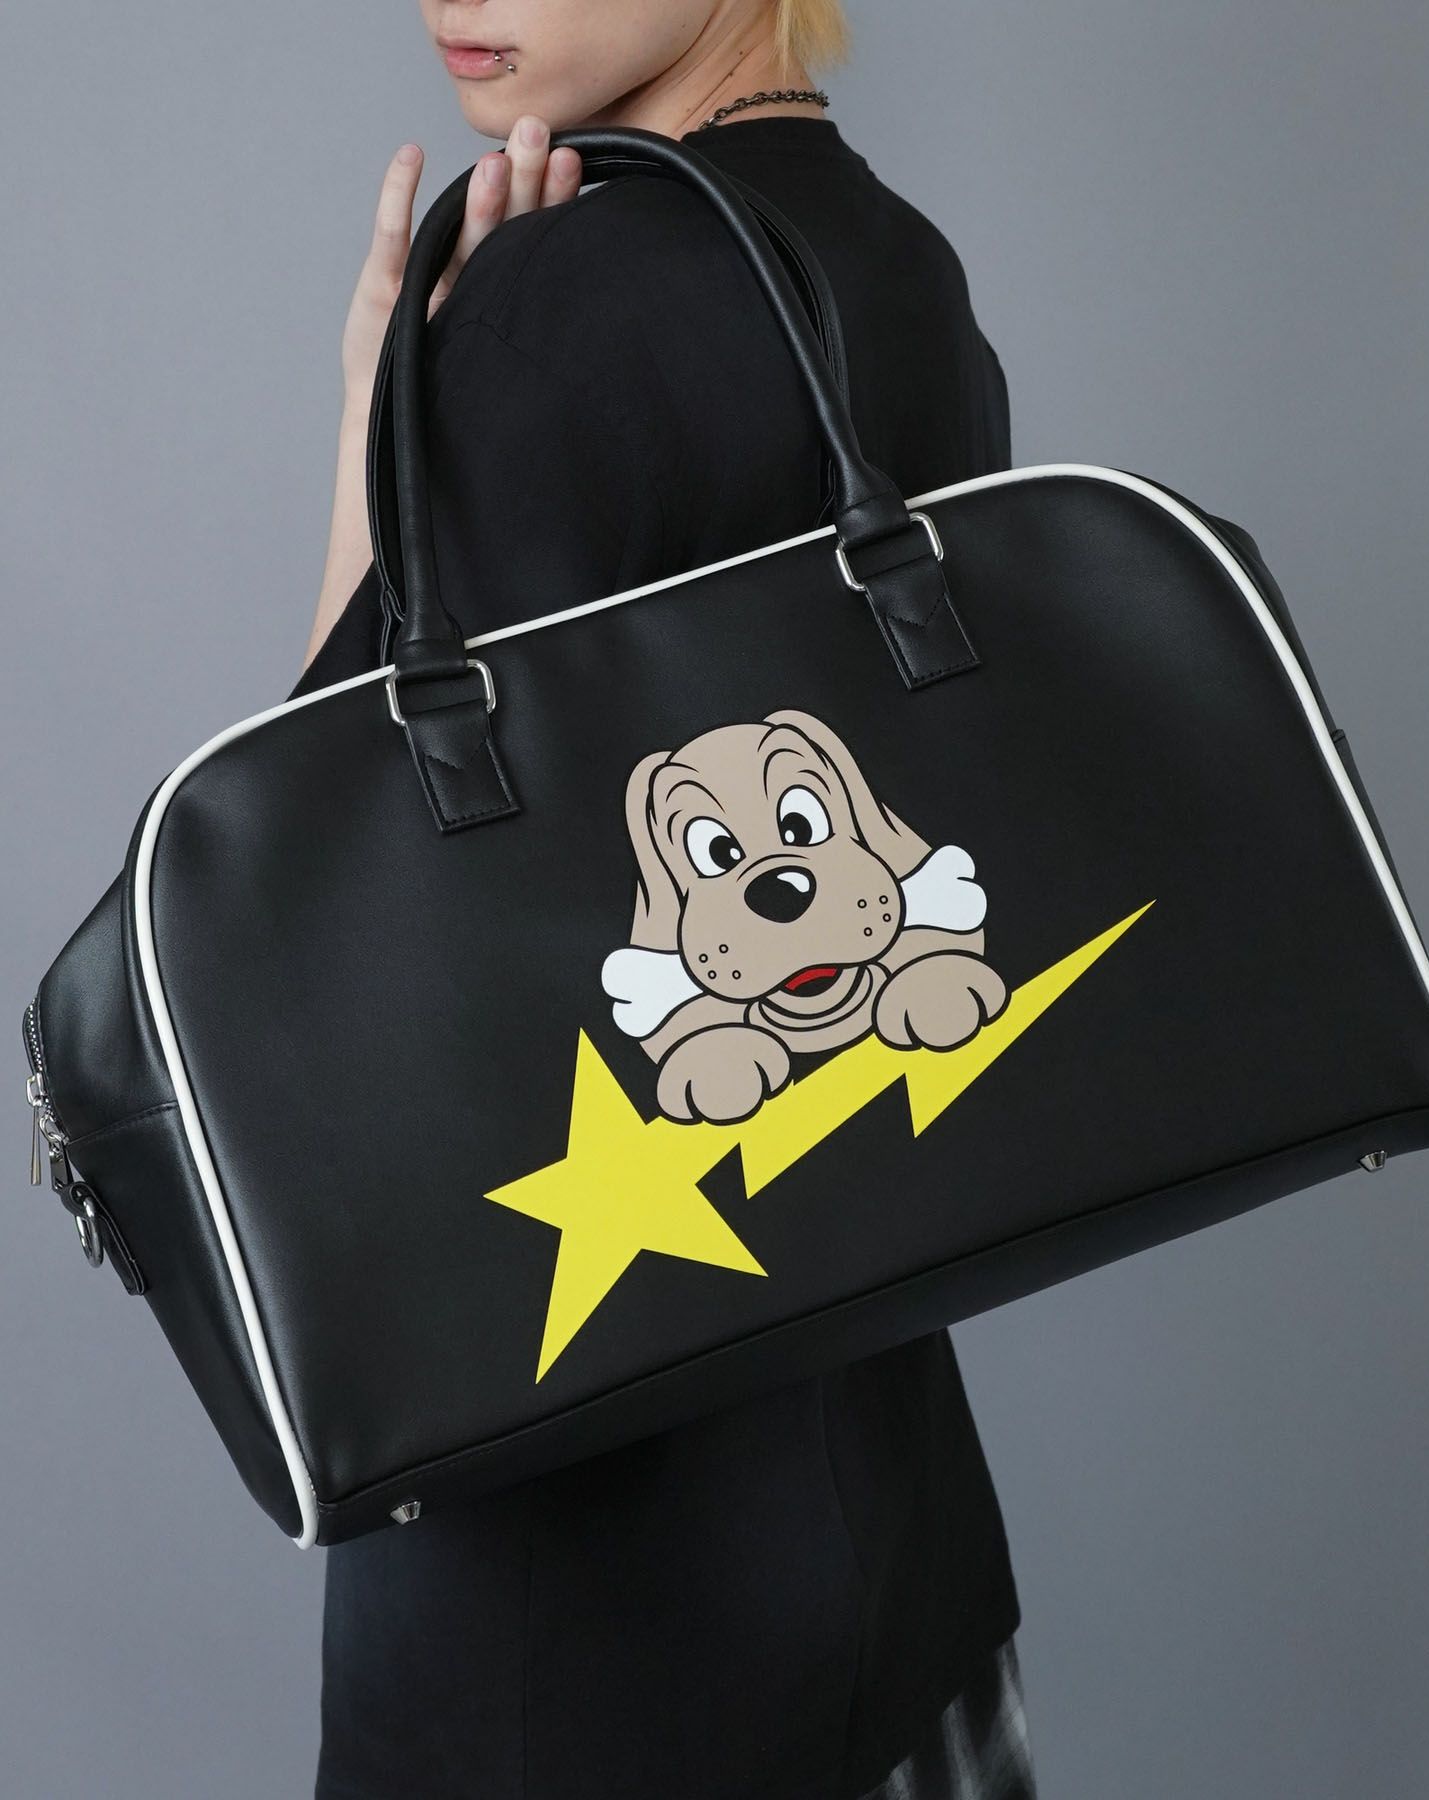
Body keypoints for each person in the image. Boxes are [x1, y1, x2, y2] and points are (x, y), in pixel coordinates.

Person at [300, 4, 1037, 1796]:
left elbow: (303, 925)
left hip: (571, 1597)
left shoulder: (545, 315)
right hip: (890, 1527)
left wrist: (377, 418)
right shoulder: (894, 263)